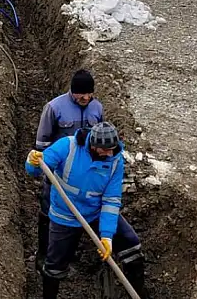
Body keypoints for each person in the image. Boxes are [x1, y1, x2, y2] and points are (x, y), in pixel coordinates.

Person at [26, 122, 147, 299]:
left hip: (95, 212)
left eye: (112, 149)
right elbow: (35, 169)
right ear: (93, 145)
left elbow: (111, 200)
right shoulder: (67, 146)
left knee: (131, 244)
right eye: (105, 150)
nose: (109, 153)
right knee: (54, 265)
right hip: (65, 215)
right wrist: (32, 162)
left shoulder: (115, 161)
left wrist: (106, 236)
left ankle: (139, 292)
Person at [34, 69, 105, 271]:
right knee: (49, 210)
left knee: (79, 212)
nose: (86, 97)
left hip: (85, 174)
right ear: (72, 91)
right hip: (58, 173)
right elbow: (42, 143)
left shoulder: (97, 108)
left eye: (89, 93)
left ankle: (68, 252)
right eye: (81, 93)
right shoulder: (54, 108)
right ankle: (44, 254)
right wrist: (46, 170)